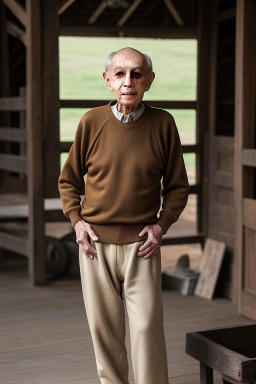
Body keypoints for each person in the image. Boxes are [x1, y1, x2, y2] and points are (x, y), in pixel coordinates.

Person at [58, 47, 189, 384]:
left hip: (142, 247)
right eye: (119, 74)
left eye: (136, 74)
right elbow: (68, 181)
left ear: (149, 80)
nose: (128, 81)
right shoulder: (91, 122)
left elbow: (177, 187)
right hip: (95, 246)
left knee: (146, 330)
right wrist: (77, 221)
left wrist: (161, 227)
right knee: (105, 334)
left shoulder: (164, 124)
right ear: (107, 81)